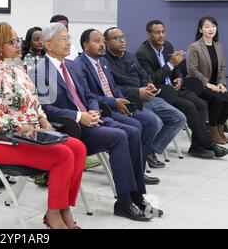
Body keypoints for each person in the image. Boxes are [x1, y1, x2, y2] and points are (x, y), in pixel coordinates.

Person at [31, 22, 161, 222]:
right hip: (71, 127)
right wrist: (79, 116)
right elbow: (46, 109)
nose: (68, 43)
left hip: (91, 118)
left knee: (134, 131)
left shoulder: (72, 66)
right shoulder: (39, 71)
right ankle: (124, 202)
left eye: (68, 38)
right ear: (48, 45)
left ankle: (137, 196)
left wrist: (91, 109)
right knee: (119, 136)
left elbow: (88, 94)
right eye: (63, 39)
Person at [0, 22, 87, 229]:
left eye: (18, 40)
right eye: (11, 42)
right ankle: (54, 215)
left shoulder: (20, 72)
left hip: (29, 135)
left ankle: (63, 208)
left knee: (78, 149)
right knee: (63, 156)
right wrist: (29, 129)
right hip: (1, 141)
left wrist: (44, 121)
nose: (18, 45)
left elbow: (35, 105)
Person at [76, 29, 161, 184]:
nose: (102, 45)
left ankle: (138, 171)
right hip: (103, 108)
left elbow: (113, 87)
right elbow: (88, 96)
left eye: (102, 41)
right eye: (97, 41)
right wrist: (114, 102)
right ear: (86, 45)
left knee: (151, 122)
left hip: (115, 104)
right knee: (135, 125)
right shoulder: (79, 66)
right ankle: (128, 174)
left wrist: (121, 100)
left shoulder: (103, 62)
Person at [136, 20, 227, 158]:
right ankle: (210, 144)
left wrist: (179, 78)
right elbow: (150, 80)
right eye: (157, 32)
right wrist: (170, 64)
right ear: (148, 35)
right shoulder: (142, 53)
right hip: (161, 91)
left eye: (163, 32)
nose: (161, 35)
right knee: (189, 106)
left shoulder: (167, 45)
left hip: (176, 87)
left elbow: (177, 68)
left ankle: (196, 146)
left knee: (201, 104)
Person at [104, 27, 186, 169]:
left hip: (146, 96)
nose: (122, 40)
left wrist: (148, 85)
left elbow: (143, 75)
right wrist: (137, 91)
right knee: (156, 122)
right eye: (116, 38)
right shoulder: (104, 61)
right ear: (106, 43)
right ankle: (140, 156)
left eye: (123, 37)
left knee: (179, 118)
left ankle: (150, 151)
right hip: (128, 100)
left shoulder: (130, 55)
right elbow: (112, 88)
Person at [187, 16, 228, 145]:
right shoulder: (194, 47)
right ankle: (212, 129)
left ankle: (220, 129)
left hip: (215, 85)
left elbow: (222, 67)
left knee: (226, 96)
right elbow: (192, 70)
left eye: (213, 26)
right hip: (199, 86)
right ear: (200, 29)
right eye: (207, 26)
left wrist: (221, 83)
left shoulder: (219, 46)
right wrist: (209, 85)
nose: (211, 29)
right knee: (217, 99)